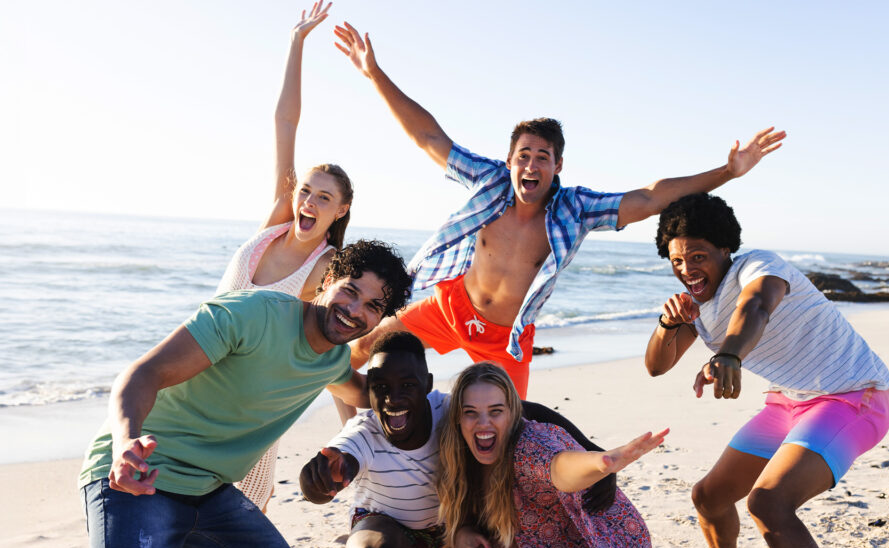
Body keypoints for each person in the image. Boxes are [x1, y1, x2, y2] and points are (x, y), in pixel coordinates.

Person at [333, 22, 786, 399]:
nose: (531, 165)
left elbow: (650, 198)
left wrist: (727, 171)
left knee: (507, 432)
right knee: (361, 350)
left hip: (506, 339)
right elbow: (429, 138)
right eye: (524, 155)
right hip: (451, 307)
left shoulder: (574, 208)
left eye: (543, 157)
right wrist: (374, 74)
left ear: (558, 166)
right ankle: (358, 435)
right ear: (510, 161)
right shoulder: (490, 181)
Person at [78, 240, 412, 548]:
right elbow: (143, 374)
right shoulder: (253, 314)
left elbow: (372, 394)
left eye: (372, 306)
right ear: (327, 282)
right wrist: (125, 443)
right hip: (136, 477)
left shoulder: (333, 360)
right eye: (350, 291)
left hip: (209, 493)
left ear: (380, 318)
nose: (354, 310)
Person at [643, 194, 889, 548]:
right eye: (677, 261)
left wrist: (727, 355)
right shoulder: (697, 305)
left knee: (768, 503)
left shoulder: (759, 266)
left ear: (725, 250)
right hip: (789, 404)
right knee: (709, 497)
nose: (687, 269)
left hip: (853, 397)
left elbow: (755, 306)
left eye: (698, 257)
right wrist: (669, 324)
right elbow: (656, 367)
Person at [299, 332, 616, 548]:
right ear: (370, 391)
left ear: (427, 385)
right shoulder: (365, 433)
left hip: (458, 525)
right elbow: (340, 461)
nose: (392, 399)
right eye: (381, 387)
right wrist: (318, 482)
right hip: (388, 525)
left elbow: (528, 410)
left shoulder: (452, 411)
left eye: (407, 385)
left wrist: (593, 452)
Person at [215, 0, 357, 517]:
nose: (309, 202)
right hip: (196, 376)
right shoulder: (275, 222)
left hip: (246, 410)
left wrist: (350, 437)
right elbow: (285, 120)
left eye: (324, 198)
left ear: (340, 210)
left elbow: (331, 349)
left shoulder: (325, 267)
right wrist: (296, 43)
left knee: (239, 522)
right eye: (307, 191)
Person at [437, 362, 668, 548]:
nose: (483, 422)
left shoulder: (529, 445)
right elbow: (465, 512)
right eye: (470, 412)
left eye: (496, 411)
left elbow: (559, 469)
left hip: (603, 544)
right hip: (551, 539)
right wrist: (462, 533)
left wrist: (600, 463)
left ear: (513, 413)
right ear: (458, 417)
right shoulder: (458, 451)